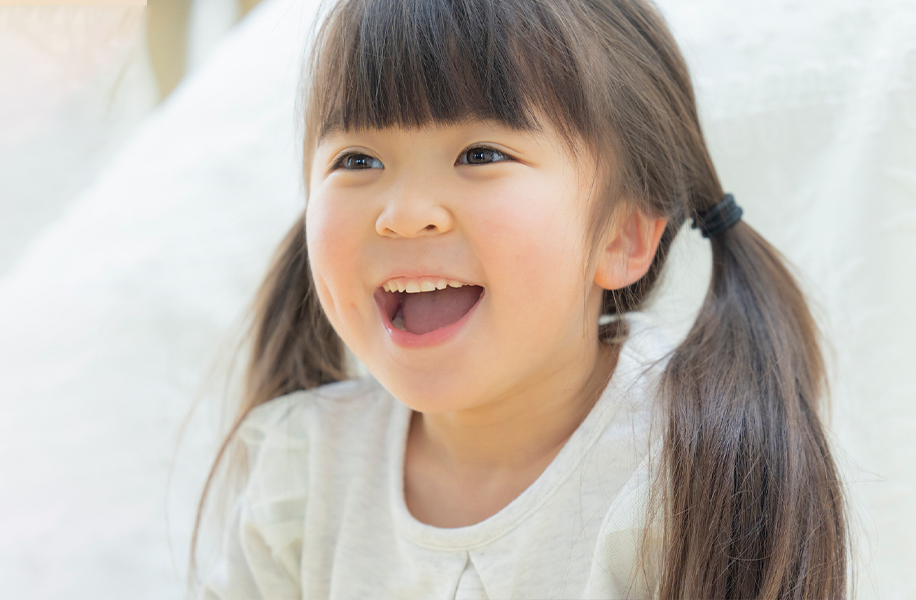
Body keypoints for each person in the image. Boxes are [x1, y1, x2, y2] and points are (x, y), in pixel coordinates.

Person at [192, 0, 850, 598]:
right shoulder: (301, 472)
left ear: (621, 234)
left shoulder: (683, 474)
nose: (403, 214)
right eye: (357, 161)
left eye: (480, 154)